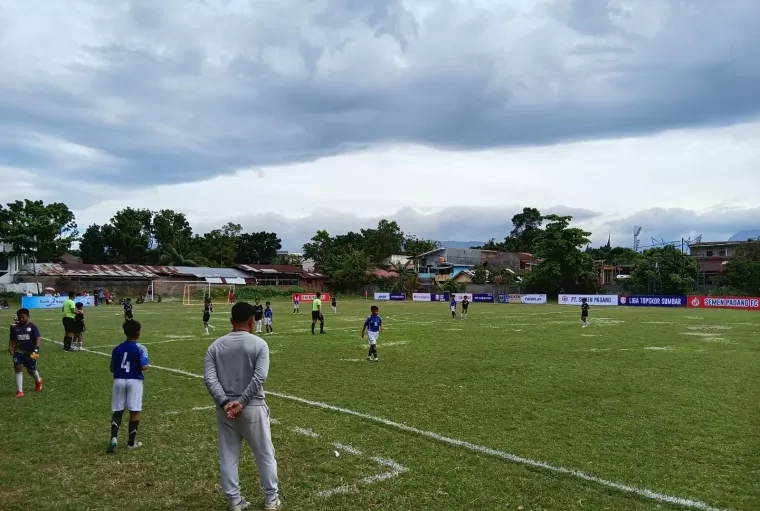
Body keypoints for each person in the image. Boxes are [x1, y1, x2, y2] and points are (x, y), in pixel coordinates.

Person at [203, 302, 281, 511]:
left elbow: (209, 379)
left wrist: (225, 402)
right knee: (264, 454)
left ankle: (235, 502)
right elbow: (260, 377)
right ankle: (271, 500)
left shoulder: (214, 347)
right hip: (253, 408)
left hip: (225, 411)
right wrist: (243, 401)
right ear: (251, 321)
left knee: (228, 456)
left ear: (231, 321)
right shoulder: (259, 344)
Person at [108, 320, 149, 453]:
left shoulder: (117, 348)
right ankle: (131, 443)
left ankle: (114, 438)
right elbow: (144, 366)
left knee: (118, 410)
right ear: (138, 333)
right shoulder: (141, 348)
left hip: (119, 380)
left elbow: (112, 368)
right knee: (134, 411)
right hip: (134, 380)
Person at [9, 308, 43, 397]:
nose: (21, 319)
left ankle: (38, 380)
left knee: (31, 370)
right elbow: (12, 339)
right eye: (20, 317)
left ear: (28, 317)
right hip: (19, 351)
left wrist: (36, 349)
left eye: (23, 317)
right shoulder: (15, 328)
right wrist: (11, 347)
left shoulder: (33, 327)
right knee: (18, 367)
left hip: (32, 351)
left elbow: (38, 338)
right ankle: (19, 391)